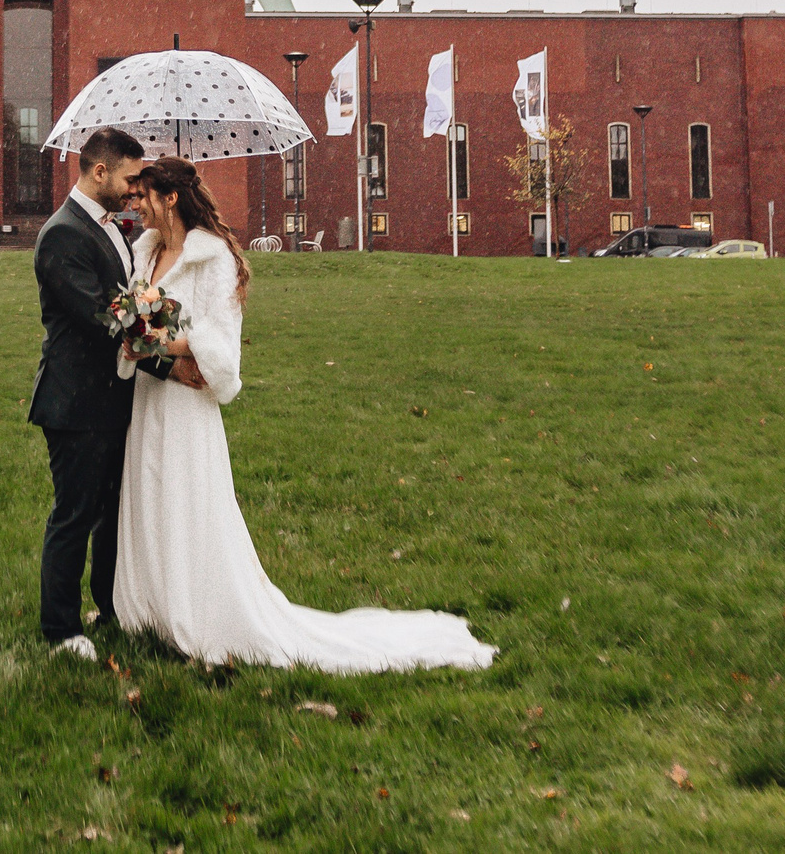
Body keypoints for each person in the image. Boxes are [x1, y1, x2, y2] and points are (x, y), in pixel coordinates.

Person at [110, 155, 497, 673]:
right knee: (149, 496)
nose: (136, 203)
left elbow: (220, 347)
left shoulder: (213, 257)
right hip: (148, 400)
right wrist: (135, 338)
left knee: (184, 502)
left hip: (186, 407)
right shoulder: (145, 252)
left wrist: (160, 339)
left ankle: (197, 611)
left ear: (171, 197)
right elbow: (137, 318)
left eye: (145, 194)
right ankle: (151, 610)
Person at [29, 126, 205, 659]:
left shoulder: (113, 228)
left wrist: (170, 317)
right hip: (75, 402)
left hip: (112, 399)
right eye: (128, 178)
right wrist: (171, 361)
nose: (134, 189)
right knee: (75, 514)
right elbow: (106, 318)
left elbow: (128, 301)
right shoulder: (62, 234)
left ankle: (111, 608)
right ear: (99, 171)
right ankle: (61, 631)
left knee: (113, 512)